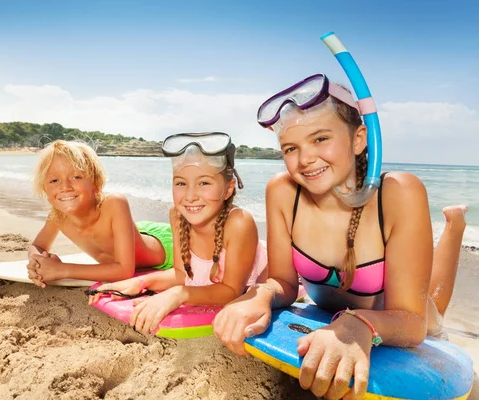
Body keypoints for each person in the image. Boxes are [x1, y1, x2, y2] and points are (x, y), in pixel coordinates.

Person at [212, 74, 468, 400]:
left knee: (435, 306)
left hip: (401, 318)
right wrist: (260, 295)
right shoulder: (282, 192)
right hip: (337, 312)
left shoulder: (399, 193)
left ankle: (454, 225)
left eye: (320, 139)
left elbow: (413, 323)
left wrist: (357, 325)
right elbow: (284, 283)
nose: (305, 159)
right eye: (291, 147)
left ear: (359, 138)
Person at [89, 132, 268, 335]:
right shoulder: (177, 215)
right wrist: (140, 283)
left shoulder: (238, 222)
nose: (190, 196)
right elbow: (181, 275)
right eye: (181, 183)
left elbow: (231, 291)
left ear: (228, 189)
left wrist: (178, 294)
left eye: (204, 183)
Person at [26, 139, 174, 287]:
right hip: (133, 232)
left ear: (96, 183)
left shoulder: (114, 203)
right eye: (54, 180)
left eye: (76, 177)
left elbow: (124, 271)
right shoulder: (58, 216)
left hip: (168, 246)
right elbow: (38, 246)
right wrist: (37, 263)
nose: (65, 187)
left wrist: (62, 269)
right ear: (45, 189)